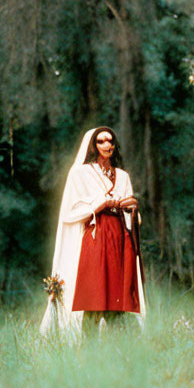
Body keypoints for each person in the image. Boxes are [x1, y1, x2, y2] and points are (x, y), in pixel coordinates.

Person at [43, 126, 146, 335]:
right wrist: (98, 205)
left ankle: (118, 352)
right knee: (93, 294)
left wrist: (130, 207)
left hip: (119, 237)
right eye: (101, 141)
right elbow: (69, 211)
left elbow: (133, 212)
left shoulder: (123, 176)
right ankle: (88, 350)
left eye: (110, 141)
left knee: (118, 296)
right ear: (93, 145)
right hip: (96, 236)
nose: (107, 145)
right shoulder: (80, 173)